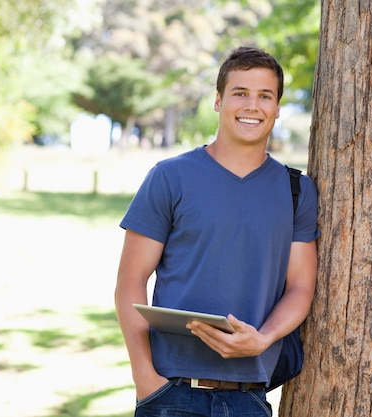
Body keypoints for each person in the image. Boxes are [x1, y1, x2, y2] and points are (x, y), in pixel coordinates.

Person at [114, 46, 320, 417]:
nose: (252, 106)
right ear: (218, 101)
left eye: (265, 96)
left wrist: (264, 339)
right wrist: (145, 378)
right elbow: (131, 281)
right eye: (240, 93)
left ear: (276, 108)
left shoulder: (297, 190)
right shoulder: (170, 177)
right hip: (170, 391)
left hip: (250, 397)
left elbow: (301, 287)